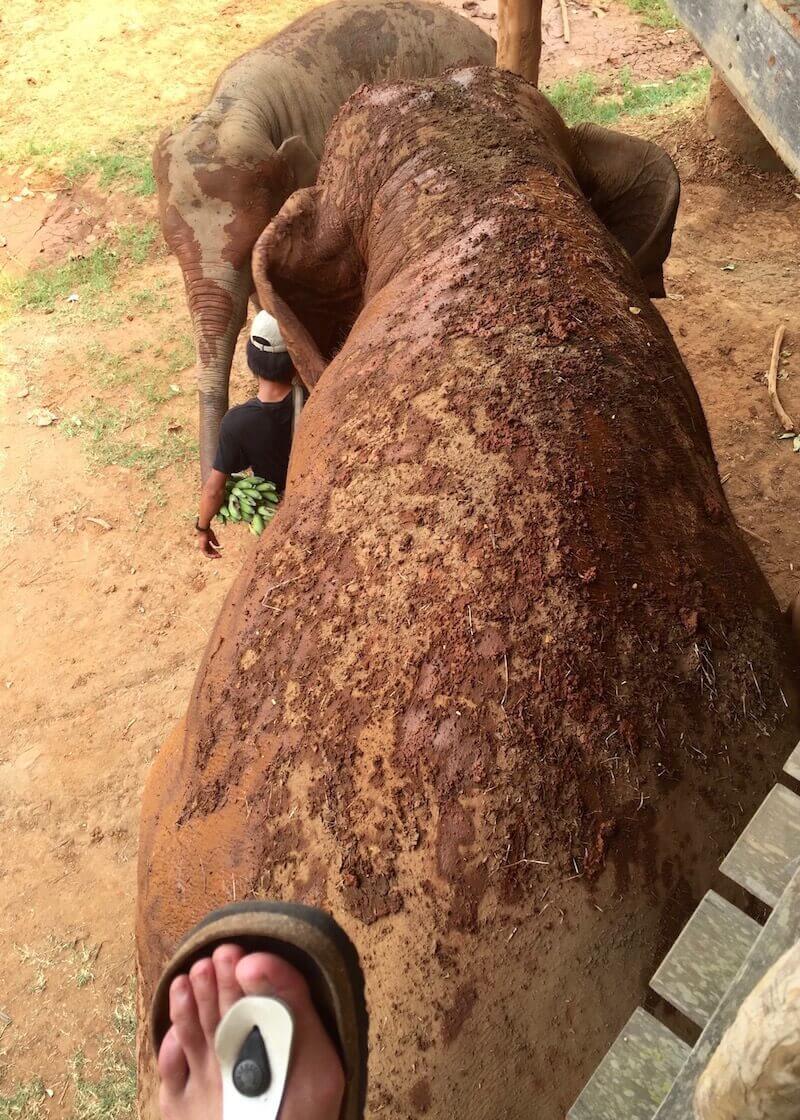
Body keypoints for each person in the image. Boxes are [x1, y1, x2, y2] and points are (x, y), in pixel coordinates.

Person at [195, 311, 298, 559]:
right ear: (294, 358)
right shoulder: (313, 396)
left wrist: (202, 527)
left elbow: (214, 490)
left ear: (251, 359)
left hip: (277, 506)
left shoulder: (236, 423)